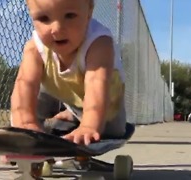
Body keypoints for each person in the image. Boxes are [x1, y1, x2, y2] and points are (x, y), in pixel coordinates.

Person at [10, 0, 126, 145]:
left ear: (89, 12)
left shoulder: (99, 43)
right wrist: (24, 124)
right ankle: (34, 126)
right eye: (44, 18)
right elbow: (24, 84)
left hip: (108, 110)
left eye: (70, 15)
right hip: (68, 93)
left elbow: (96, 84)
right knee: (33, 85)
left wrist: (88, 126)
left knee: (111, 131)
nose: (57, 29)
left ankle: (76, 118)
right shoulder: (35, 48)